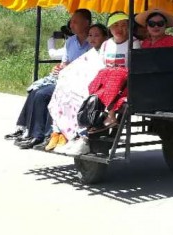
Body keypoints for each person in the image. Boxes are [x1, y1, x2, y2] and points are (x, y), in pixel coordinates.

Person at [12, 8, 94, 149]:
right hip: (67, 79)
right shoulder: (70, 42)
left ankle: (44, 135)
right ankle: (33, 134)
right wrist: (59, 68)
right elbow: (65, 63)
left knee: (43, 95)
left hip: (80, 82)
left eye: (75, 22)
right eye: (71, 22)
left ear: (86, 23)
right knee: (35, 91)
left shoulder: (93, 40)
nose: (71, 25)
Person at [57, 12, 137, 156]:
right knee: (91, 92)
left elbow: (135, 67)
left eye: (124, 25)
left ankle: (110, 116)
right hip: (107, 85)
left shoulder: (134, 43)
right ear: (110, 28)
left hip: (127, 84)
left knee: (116, 74)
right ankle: (82, 136)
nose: (120, 28)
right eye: (115, 25)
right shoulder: (107, 45)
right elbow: (99, 65)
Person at [44, 23, 108, 151]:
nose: (93, 38)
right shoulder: (89, 51)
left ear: (105, 37)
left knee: (80, 97)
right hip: (81, 80)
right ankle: (59, 132)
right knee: (62, 92)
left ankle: (76, 134)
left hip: (95, 83)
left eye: (97, 35)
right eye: (90, 35)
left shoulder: (106, 52)